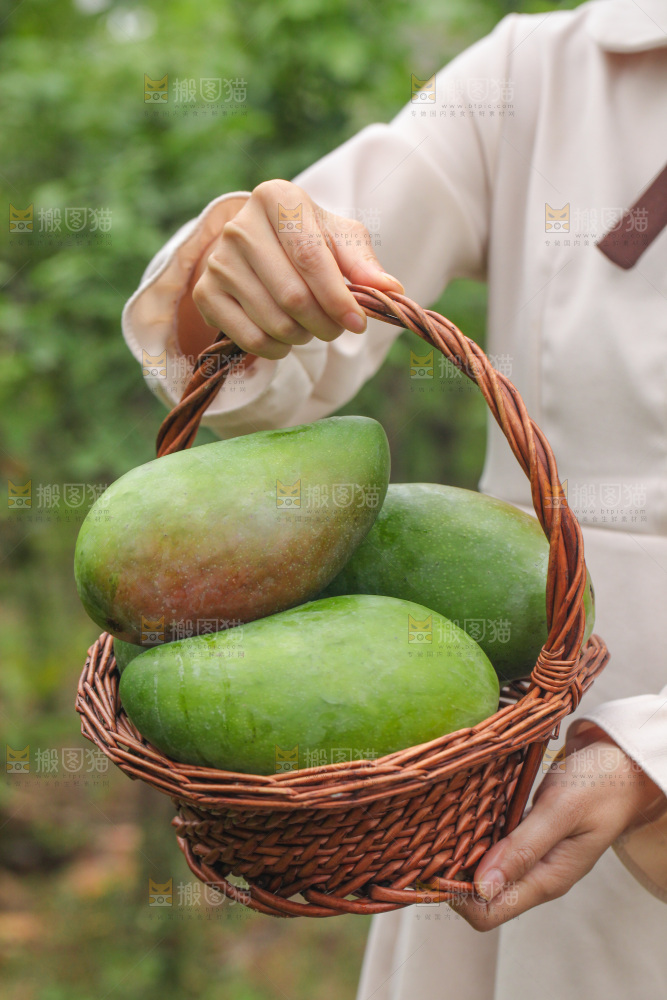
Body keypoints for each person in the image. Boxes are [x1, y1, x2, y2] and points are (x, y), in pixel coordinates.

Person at [121, 0, 667, 996]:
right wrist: (246, 272)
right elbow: (318, 266)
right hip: (478, 781)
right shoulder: (543, 69)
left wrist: (653, 756)